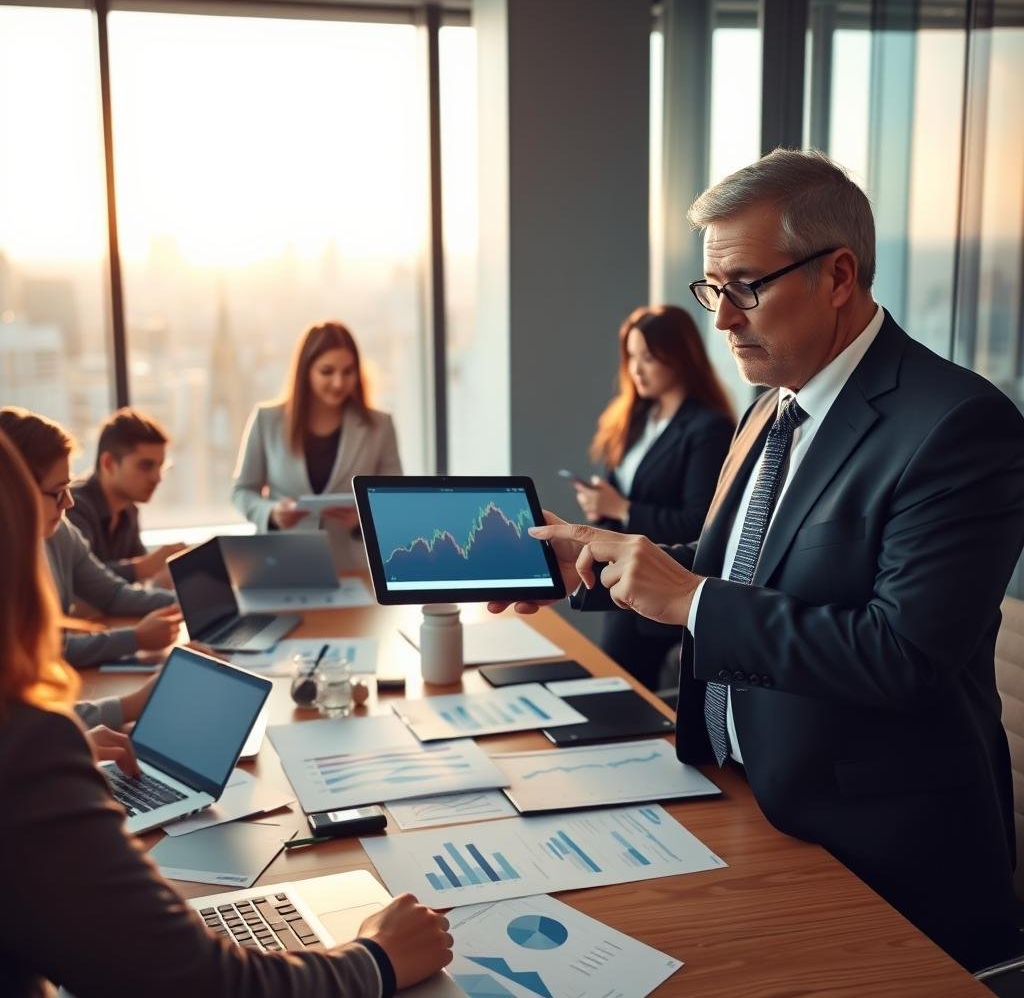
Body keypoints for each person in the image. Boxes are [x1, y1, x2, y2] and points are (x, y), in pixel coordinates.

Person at [492, 149, 1024, 972]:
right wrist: (598, 561)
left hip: (882, 852)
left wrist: (695, 602)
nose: (722, 319)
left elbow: (904, 655)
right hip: (750, 797)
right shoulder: (769, 405)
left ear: (838, 274)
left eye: (744, 287)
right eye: (714, 291)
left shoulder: (957, 424)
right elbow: (732, 567)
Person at [0, 427, 453, 998]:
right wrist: (377, 961)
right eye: (49, 497)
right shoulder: (23, 749)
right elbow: (203, 983)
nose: (66, 509)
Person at [575, 305, 734, 689]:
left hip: (658, 588)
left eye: (648, 358)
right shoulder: (636, 417)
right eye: (631, 357)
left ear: (679, 357)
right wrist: (603, 505)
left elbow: (700, 524)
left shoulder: (707, 428)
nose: (636, 369)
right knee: (612, 687)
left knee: (623, 696)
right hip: (617, 582)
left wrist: (623, 508)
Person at [0, 407, 182, 669]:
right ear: (15, 492)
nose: (69, 502)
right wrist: (136, 638)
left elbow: (112, 593)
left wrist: (190, 601)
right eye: (57, 491)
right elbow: (45, 648)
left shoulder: (59, 530)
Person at [233, 321, 402, 569]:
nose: (338, 382)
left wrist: (362, 519)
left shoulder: (379, 425)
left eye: (348, 372)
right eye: (327, 371)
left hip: (354, 565)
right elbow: (242, 491)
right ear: (306, 371)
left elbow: (393, 497)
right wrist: (271, 513)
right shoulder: (266, 420)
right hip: (280, 563)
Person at [69, 407, 184, 587]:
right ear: (109, 463)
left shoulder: (129, 510)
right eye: (146, 466)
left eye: (161, 467)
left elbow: (134, 584)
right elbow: (79, 580)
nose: (157, 478)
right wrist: (146, 566)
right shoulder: (73, 506)